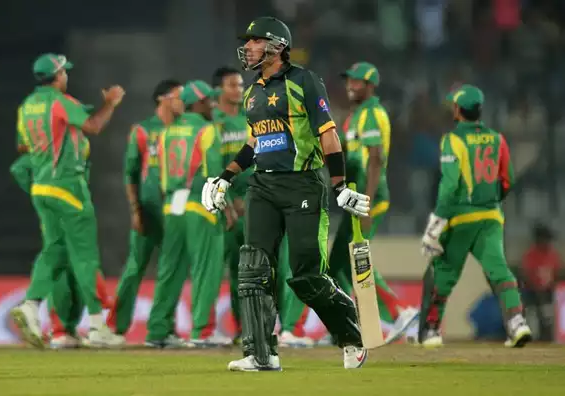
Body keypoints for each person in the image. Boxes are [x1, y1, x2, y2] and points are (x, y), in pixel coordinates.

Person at [202, 17, 370, 371]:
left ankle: (351, 332)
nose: (247, 48)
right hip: (263, 186)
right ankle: (261, 354)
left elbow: (328, 134)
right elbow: (255, 142)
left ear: (276, 45)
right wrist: (225, 178)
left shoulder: (304, 81)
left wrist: (339, 184)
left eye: (255, 41)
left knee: (306, 275)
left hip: (302, 184)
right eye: (246, 42)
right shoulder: (252, 92)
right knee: (253, 268)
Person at [10, 53, 125, 348]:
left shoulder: (27, 107)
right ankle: (98, 326)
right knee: (85, 256)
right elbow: (94, 127)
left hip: (41, 187)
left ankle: (32, 305)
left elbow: (23, 145)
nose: (67, 77)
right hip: (67, 187)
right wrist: (110, 103)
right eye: (65, 73)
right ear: (58, 75)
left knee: (55, 250)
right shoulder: (60, 102)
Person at [419, 84, 532, 348]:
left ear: (458, 110)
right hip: (491, 217)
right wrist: (489, 202)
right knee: (499, 270)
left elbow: (448, 187)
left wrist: (434, 227)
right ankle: (517, 322)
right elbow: (508, 180)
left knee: (444, 272)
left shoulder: (452, 140)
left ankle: (432, 330)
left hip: (460, 218)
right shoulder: (497, 138)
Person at [211, 66, 310, 348]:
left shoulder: (253, 116)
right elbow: (210, 163)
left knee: (279, 266)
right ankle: (245, 328)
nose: (239, 90)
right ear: (219, 89)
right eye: (233, 85)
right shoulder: (213, 122)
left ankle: (286, 327)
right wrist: (229, 200)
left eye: (241, 85)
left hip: (261, 198)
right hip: (230, 206)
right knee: (239, 271)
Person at [329, 62, 418, 344]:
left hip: (368, 198)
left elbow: (376, 159)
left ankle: (399, 310)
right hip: (356, 200)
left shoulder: (371, 114)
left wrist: (365, 202)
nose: (350, 86)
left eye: (356, 82)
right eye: (348, 81)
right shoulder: (354, 117)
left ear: (370, 86)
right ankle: (351, 323)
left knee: (355, 259)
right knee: (338, 265)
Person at [105, 79, 191, 348]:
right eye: (178, 96)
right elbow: (130, 174)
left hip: (175, 210)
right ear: (162, 98)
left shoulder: (186, 129)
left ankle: (164, 328)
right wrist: (135, 210)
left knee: (172, 270)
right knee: (135, 267)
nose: (183, 102)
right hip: (148, 210)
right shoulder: (142, 130)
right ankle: (114, 328)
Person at [10, 151, 112, 349]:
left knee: (76, 272)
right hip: (63, 214)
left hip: (68, 212)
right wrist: (39, 191)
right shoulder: (50, 152)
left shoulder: (78, 148)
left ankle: (70, 329)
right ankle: (60, 330)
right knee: (64, 268)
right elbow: (19, 168)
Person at [153, 80, 227, 347]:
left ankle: (158, 331)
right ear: (197, 103)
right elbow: (214, 175)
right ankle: (201, 332)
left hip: (172, 205)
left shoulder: (167, 132)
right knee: (205, 269)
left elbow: (162, 176)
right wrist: (224, 208)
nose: (213, 105)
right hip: (200, 204)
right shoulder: (206, 131)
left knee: (169, 269)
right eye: (209, 100)